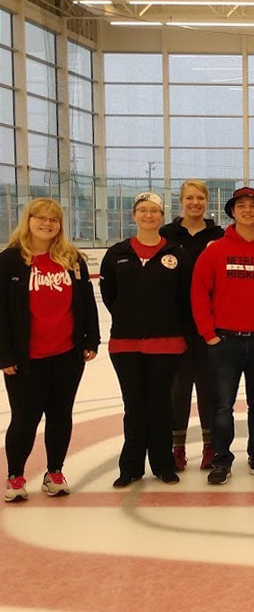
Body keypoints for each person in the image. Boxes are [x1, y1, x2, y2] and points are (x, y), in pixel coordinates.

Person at [191, 186, 254, 486]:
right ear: (233, 212)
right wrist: (209, 334)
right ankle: (221, 460)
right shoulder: (215, 251)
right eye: (241, 206)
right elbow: (199, 293)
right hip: (225, 342)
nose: (247, 210)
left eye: (253, 206)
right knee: (222, 406)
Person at [2, 198, 99, 502]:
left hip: (67, 355)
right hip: (26, 359)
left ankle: (54, 472)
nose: (47, 224)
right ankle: (15, 476)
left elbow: (86, 301)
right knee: (24, 418)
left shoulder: (71, 259)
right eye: (41, 218)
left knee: (60, 415)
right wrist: (4, 354)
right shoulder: (10, 261)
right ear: (28, 220)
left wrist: (91, 339)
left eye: (53, 219)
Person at [101, 192, 190, 488]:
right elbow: (110, 296)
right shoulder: (117, 253)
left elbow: (184, 297)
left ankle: (163, 465)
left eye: (154, 211)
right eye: (143, 210)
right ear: (134, 215)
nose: (148, 215)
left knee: (161, 405)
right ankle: (131, 467)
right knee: (134, 407)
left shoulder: (177, 253)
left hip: (167, 343)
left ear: (162, 217)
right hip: (125, 345)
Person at [160, 179, 224, 472]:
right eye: (189, 198)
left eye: (200, 198)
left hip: (211, 325)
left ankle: (211, 446)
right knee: (178, 388)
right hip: (176, 325)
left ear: (206, 201)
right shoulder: (166, 235)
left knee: (209, 387)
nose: (195, 203)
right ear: (181, 201)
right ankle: (177, 448)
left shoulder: (219, 235)